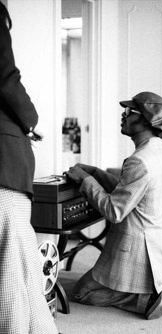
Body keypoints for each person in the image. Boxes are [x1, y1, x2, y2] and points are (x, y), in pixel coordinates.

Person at [66, 91, 162, 320]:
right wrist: (96, 173)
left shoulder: (138, 161)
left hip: (137, 250)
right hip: (161, 245)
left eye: (129, 112)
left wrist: (86, 181)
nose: (123, 116)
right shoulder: (160, 154)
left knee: (81, 293)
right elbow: (132, 192)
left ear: (146, 120)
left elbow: (115, 210)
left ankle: (146, 298)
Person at [0, 2, 59, 333]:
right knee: (15, 269)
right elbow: (5, 75)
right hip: (4, 169)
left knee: (21, 266)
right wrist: (30, 120)